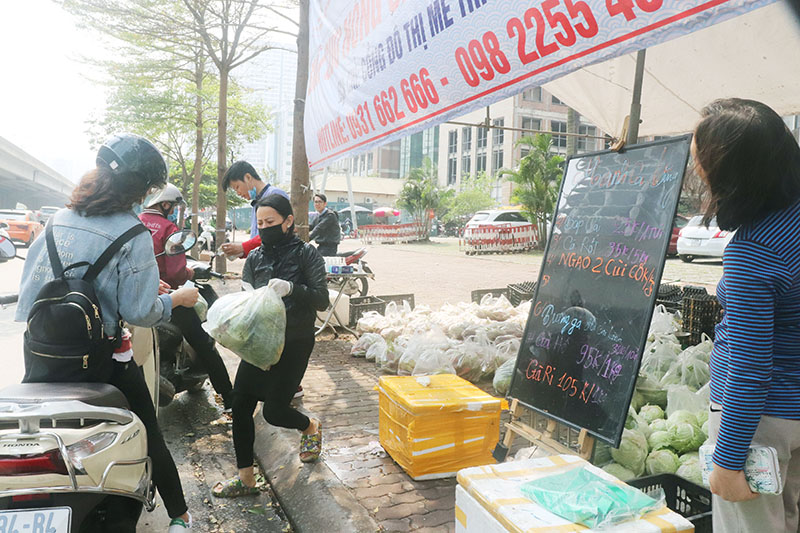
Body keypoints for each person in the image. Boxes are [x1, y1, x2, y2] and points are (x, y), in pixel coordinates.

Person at [15, 133, 197, 532]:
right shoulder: (132, 233)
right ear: (139, 189)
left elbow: (28, 299)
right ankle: (180, 516)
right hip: (102, 364)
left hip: (42, 357)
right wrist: (176, 299)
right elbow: (140, 312)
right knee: (149, 432)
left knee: (32, 438)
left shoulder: (54, 222)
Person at [694, 99, 800, 533]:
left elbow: (750, 367)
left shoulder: (753, 252)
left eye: (701, 159)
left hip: (761, 425)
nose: (697, 168)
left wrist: (728, 461)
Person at [212, 194, 329, 498]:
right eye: (260, 223)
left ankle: (309, 426)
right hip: (260, 342)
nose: (264, 228)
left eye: (270, 222)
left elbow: (321, 299)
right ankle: (246, 479)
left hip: (295, 341)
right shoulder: (254, 258)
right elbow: (248, 299)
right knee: (240, 404)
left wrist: (292, 288)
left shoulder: (306, 254)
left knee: (275, 412)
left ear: (288, 221)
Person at [139, 183, 234, 409]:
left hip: (137, 297)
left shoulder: (135, 222)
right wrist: (190, 273)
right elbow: (176, 273)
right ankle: (230, 398)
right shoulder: (169, 229)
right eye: (172, 206)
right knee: (204, 345)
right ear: (164, 204)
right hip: (169, 297)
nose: (173, 211)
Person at [219, 161, 288, 259]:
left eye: (237, 187)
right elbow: (259, 239)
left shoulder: (275, 195)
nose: (238, 193)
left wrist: (243, 247)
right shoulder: (256, 204)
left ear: (248, 177)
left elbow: (275, 232)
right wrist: (241, 252)